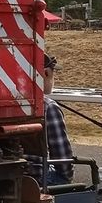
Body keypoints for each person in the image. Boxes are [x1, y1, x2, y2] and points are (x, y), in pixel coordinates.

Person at [42, 53, 76, 183]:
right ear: (46, 73)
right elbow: (62, 158)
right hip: (40, 176)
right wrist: (67, 177)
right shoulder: (48, 107)